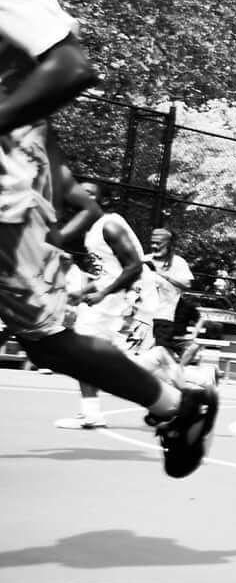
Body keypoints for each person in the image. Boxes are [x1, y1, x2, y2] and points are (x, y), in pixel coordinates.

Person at [0, 0, 217, 476]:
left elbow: (72, 67)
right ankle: (172, 404)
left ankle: (175, 403)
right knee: (49, 345)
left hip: (10, 201)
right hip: (40, 214)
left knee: (49, 343)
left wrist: (78, 257)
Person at [54, 180, 148, 430]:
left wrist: (103, 294)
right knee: (109, 356)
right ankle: (188, 390)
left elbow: (134, 266)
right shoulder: (94, 228)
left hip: (124, 297)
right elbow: (110, 272)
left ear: (104, 200)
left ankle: (91, 414)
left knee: (85, 351)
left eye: (90, 193)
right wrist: (83, 291)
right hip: (115, 297)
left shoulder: (110, 225)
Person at [136, 225, 193, 376]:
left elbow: (187, 284)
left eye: (158, 243)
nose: (154, 246)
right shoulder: (145, 260)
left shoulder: (178, 262)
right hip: (142, 316)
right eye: (152, 242)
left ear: (169, 244)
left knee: (161, 357)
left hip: (165, 317)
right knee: (145, 357)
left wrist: (162, 274)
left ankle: (200, 378)